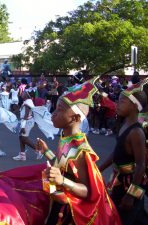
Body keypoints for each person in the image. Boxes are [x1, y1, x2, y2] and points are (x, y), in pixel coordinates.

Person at [36, 77, 121, 225]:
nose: (53, 113)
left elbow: (88, 191)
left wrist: (62, 180)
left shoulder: (80, 150)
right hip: (59, 202)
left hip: (70, 213)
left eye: (59, 110)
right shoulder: (66, 138)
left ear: (75, 118)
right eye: (55, 108)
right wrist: (46, 151)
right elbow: (61, 164)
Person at [99, 79, 148, 225]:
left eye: (122, 102)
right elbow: (117, 152)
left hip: (131, 183)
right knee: (137, 217)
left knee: (123, 217)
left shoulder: (136, 132)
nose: (117, 105)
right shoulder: (124, 125)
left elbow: (141, 165)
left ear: (134, 106)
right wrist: (99, 168)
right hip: (119, 180)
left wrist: (131, 195)